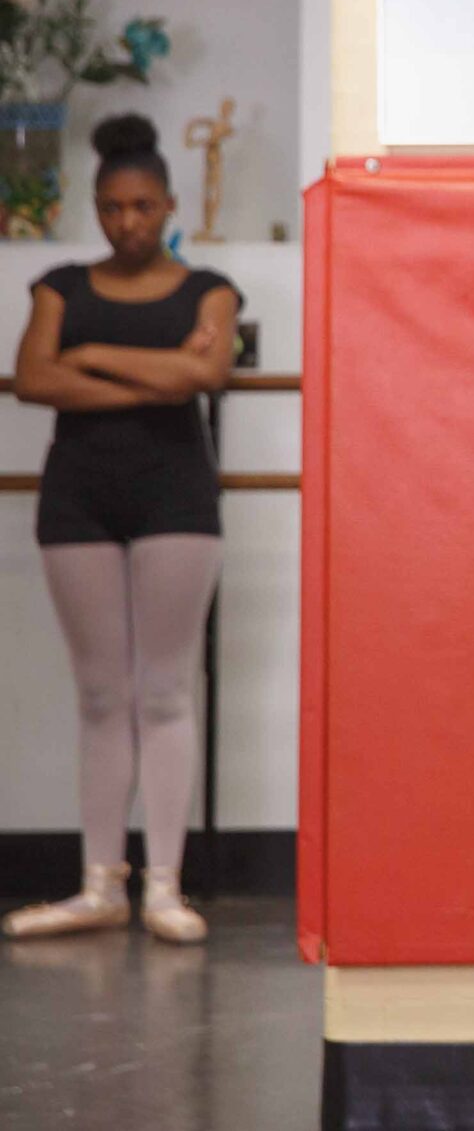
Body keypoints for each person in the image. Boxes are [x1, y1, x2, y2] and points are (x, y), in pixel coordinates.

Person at [2, 113, 241, 947]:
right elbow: (33, 378)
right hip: (79, 498)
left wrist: (88, 356)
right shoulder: (59, 285)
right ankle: (100, 884)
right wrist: (159, 373)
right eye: (111, 207)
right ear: (96, 208)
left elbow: (208, 373)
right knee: (101, 694)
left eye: (142, 206)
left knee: (165, 690)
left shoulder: (209, 289)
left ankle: (164, 885)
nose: (127, 222)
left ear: (168, 205)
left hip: (176, 498)